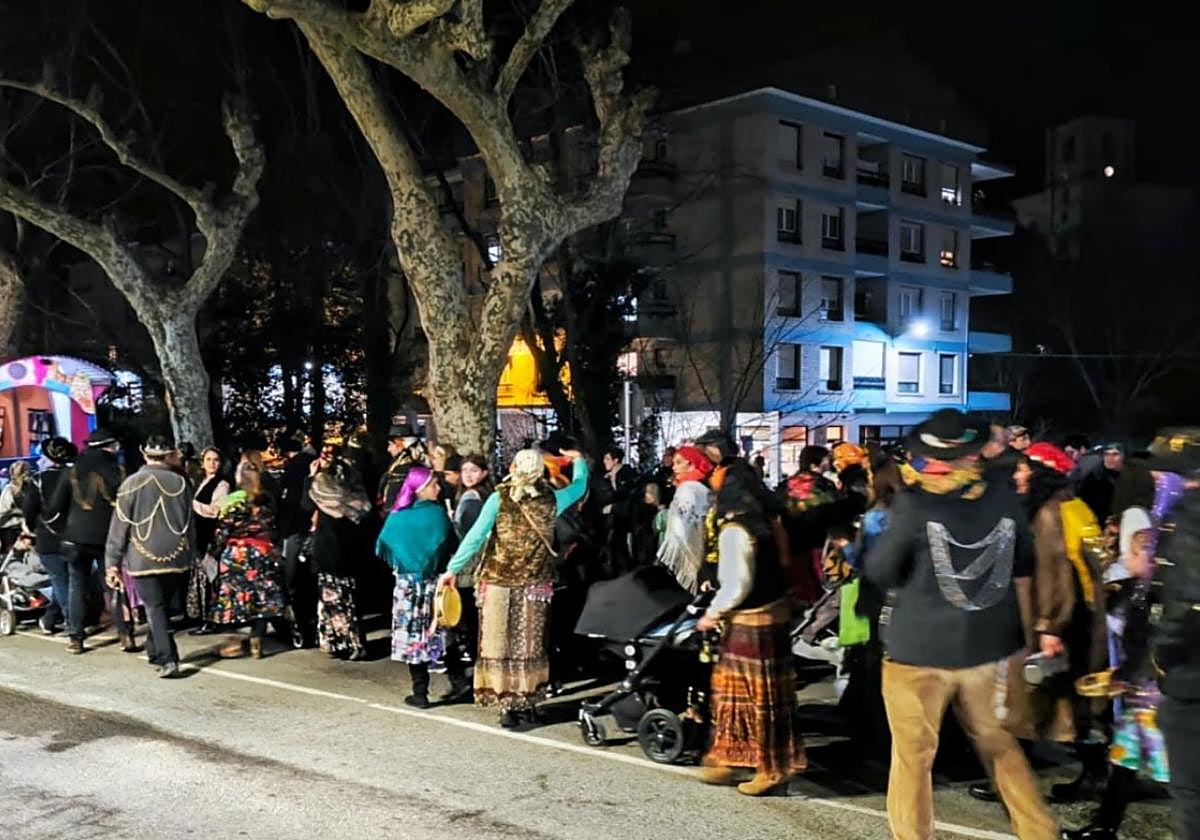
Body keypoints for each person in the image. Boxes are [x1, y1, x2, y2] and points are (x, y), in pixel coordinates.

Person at [864, 409, 1056, 840]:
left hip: (918, 649)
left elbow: (881, 568)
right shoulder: (1003, 498)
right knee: (999, 745)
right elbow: (1024, 559)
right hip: (985, 647)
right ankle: (1039, 832)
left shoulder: (915, 504)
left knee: (914, 756)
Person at [972, 443, 1107, 804]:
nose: (1021, 475)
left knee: (1027, 701)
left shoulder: (1050, 513)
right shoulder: (1070, 505)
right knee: (1060, 703)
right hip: (1076, 618)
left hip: (1049, 621)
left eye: (1026, 468)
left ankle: (1013, 780)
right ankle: (1091, 774)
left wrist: (1049, 625)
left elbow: (1055, 572)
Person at [439, 447, 589, 728]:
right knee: (530, 644)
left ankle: (507, 705)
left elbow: (475, 537)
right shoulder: (552, 499)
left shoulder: (498, 499)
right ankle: (528, 701)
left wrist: (452, 570)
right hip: (535, 584)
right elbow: (580, 487)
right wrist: (579, 461)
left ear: (513, 468)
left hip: (498, 582)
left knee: (500, 643)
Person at [1060, 456, 1167, 840]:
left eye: (1138, 553)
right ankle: (1106, 824)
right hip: (1143, 689)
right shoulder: (1137, 589)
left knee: (1175, 770)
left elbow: (1154, 641)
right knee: (1126, 756)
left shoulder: (1155, 592)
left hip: (1157, 692)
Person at [695, 452, 805, 796]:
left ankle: (771, 768)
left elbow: (736, 584)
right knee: (743, 697)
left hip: (750, 620)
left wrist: (712, 612)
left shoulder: (735, 531)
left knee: (755, 700)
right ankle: (729, 758)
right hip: (773, 614)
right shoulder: (767, 522)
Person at [1144, 428, 1200, 840]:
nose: (1157, 480)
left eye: (1165, 473)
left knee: (1191, 792)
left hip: (1192, 679)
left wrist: (1160, 656)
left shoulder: (1191, 519)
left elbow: (1189, 602)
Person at [104, 435, 194, 678]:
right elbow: (190, 523)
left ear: (144, 455)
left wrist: (112, 563)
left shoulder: (131, 483)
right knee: (162, 607)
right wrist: (191, 554)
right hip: (177, 556)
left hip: (143, 557)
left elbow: (119, 527)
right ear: (168, 455)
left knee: (154, 607)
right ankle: (155, 650)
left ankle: (168, 658)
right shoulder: (182, 483)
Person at [377, 466, 457, 707]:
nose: (438, 488)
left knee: (413, 633)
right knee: (439, 628)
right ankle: (456, 678)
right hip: (434, 581)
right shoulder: (437, 515)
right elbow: (450, 543)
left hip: (407, 583)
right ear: (420, 488)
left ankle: (420, 691)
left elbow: (384, 542)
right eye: (433, 484)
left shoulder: (397, 516)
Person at [47, 428, 131, 655]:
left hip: (76, 539)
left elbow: (54, 508)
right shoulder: (118, 470)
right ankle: (125, 635)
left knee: (77, 586)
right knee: (114, 585)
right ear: (109, 445)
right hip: (108, 538)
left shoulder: (72, 470)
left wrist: (63, 529)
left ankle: (76, 638)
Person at [210, 456, 286, 659]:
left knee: (237, 598)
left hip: (237, 554)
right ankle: (256, 639)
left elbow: (223, 531)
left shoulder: (233, 501)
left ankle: (235, 641)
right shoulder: (267, 500)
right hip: (262, 553)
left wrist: (216, 551)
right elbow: (275, 528)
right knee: (261, 597)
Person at [306, 449, 372, 661]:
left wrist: (311, 476)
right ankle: (354, 642)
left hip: (328, 551)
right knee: (350, 599)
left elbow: (304, 504)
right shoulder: (356, 496)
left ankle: (337, 641)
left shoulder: (321, 492)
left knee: (331, 600)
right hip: (349, 551)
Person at [22, 437, 77, 634]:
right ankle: (58, 617)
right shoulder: (74, 477)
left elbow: (29, 510)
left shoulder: (38, 480)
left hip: (47, 536)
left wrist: (30, 529)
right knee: (73, 580)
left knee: (60, 580)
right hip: (74, 534)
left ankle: (72, 622)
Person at [277, 434, 318, 645]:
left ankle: (299, 625)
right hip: (309, 528)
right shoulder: (310, 467)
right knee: (307, 578)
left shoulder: (292, 470)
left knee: (292, 579)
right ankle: (310, 621)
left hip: (293, 528)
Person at [656, 445, 713, 594]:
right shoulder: (703, 489)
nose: (674, 467)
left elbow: (683, 527)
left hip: (686, 553)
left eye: (679, 462)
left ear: (691, 464)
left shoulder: (687, 489)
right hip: (704, 553)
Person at [187, 447, 229, 635]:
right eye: (209, 459)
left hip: (212, 535)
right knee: (202, 577)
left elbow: (216, 510)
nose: (212, 463)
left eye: (216, 459)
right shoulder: (201, 482)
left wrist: (193, 504)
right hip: (200, 535)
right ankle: (205, 617)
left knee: (211, 577)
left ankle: (212, 619)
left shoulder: (222, 484)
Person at [596, 445, 638, 575]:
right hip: (615, 520)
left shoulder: (627, 476)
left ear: (616, 460)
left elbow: (626, 497)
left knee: (622, 548)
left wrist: (613, 507)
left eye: (607, 459)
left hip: (626, 520)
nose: (604, 462)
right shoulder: (608, 477)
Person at [379, 422, 426, 511]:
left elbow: (394, 493)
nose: (388, 449)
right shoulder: (401, 461)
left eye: (391, 444)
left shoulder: (405, 465)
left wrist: (388, 509)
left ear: (400, 443)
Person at [1078, 442, 1126, 525]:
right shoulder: (1094, 477)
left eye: (1115, 454)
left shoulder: (1131, 475)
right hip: (1100, 522)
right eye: (1106, 454)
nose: (1110, 458)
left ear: (1123, 457)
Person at [0, 459, 31, 553]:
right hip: (11, 531)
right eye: (28, 471)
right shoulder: (9, 491)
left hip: (25, 529)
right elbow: (3, 514)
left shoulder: (29, 488)